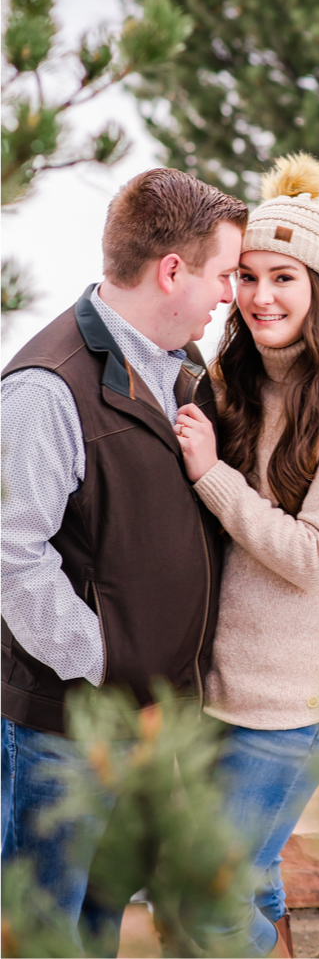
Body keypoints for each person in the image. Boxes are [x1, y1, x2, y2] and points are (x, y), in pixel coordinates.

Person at [1, 169, 247, 942]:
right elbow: (11, 555)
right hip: (67, 729)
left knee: (102, 921)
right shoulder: (47, 390)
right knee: (45, 929)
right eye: (225, 274)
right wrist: (101, 659)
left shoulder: (180, 363)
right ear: (172, 271)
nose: (231, 295)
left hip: (144, 722)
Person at [172, 153, 319, 958]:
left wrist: (214, 477)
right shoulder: (233, 378)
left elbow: (313, 557)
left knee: (206, 900)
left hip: (292, 703)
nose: (262, 296)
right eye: (246, 276)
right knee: (246, 872)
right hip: (219, 684)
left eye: (285, 278)